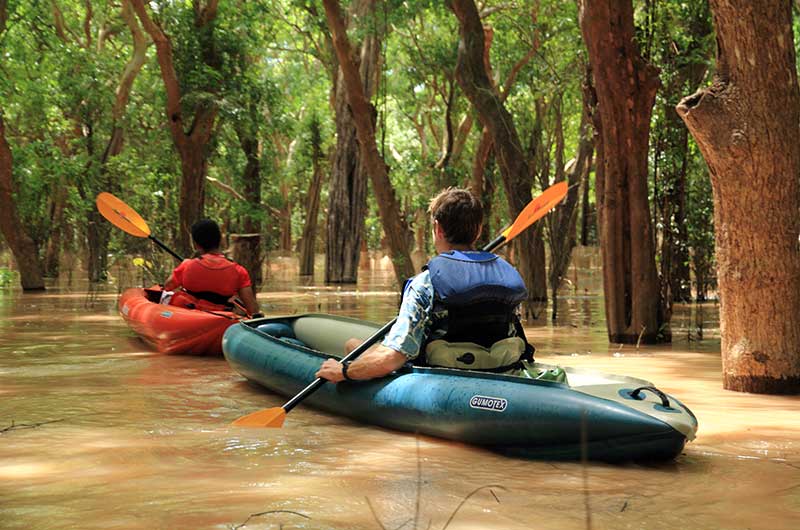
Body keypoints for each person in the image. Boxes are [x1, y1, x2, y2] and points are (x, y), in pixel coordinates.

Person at [316, 188, 532, 384]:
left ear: (437, 229)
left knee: (352, 345)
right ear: (478, 231)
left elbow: (391, 360)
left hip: (443, 376)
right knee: (355, 345)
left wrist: (343, 371)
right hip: (503, 370)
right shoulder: (505, 274)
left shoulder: (426, 283)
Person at [163, 219, 260, 316]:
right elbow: (252, 309)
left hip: (188, 316)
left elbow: (167, 287)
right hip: (220, 319)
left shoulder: (187, 265)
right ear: (220, 240)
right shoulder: (239, 271)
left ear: (195, 244)